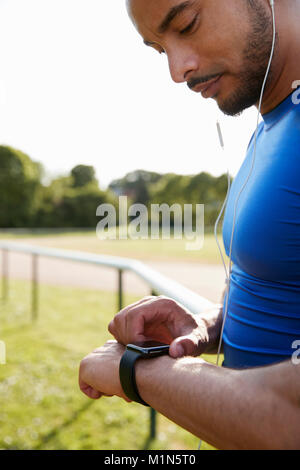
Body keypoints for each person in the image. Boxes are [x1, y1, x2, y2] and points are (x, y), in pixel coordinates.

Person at [78, 0, 300, 449]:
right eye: (160, 50)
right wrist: (209, 327)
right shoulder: (275, 118)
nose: (178, 70)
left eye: (186, 24)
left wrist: (138, 371)